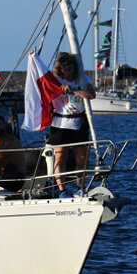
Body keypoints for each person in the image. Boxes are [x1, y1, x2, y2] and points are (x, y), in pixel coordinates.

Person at [44, 51, 95, 197]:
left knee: (82, 158)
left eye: (71, 66)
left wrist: (73, 90)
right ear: (61, 69)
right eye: (65, 67)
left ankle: (80, 187)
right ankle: (62, 190)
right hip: (61, 123)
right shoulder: (56, 81)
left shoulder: (82, 80)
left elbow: (91, 95)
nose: (68, 70)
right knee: (60, 157)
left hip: (78, 122)